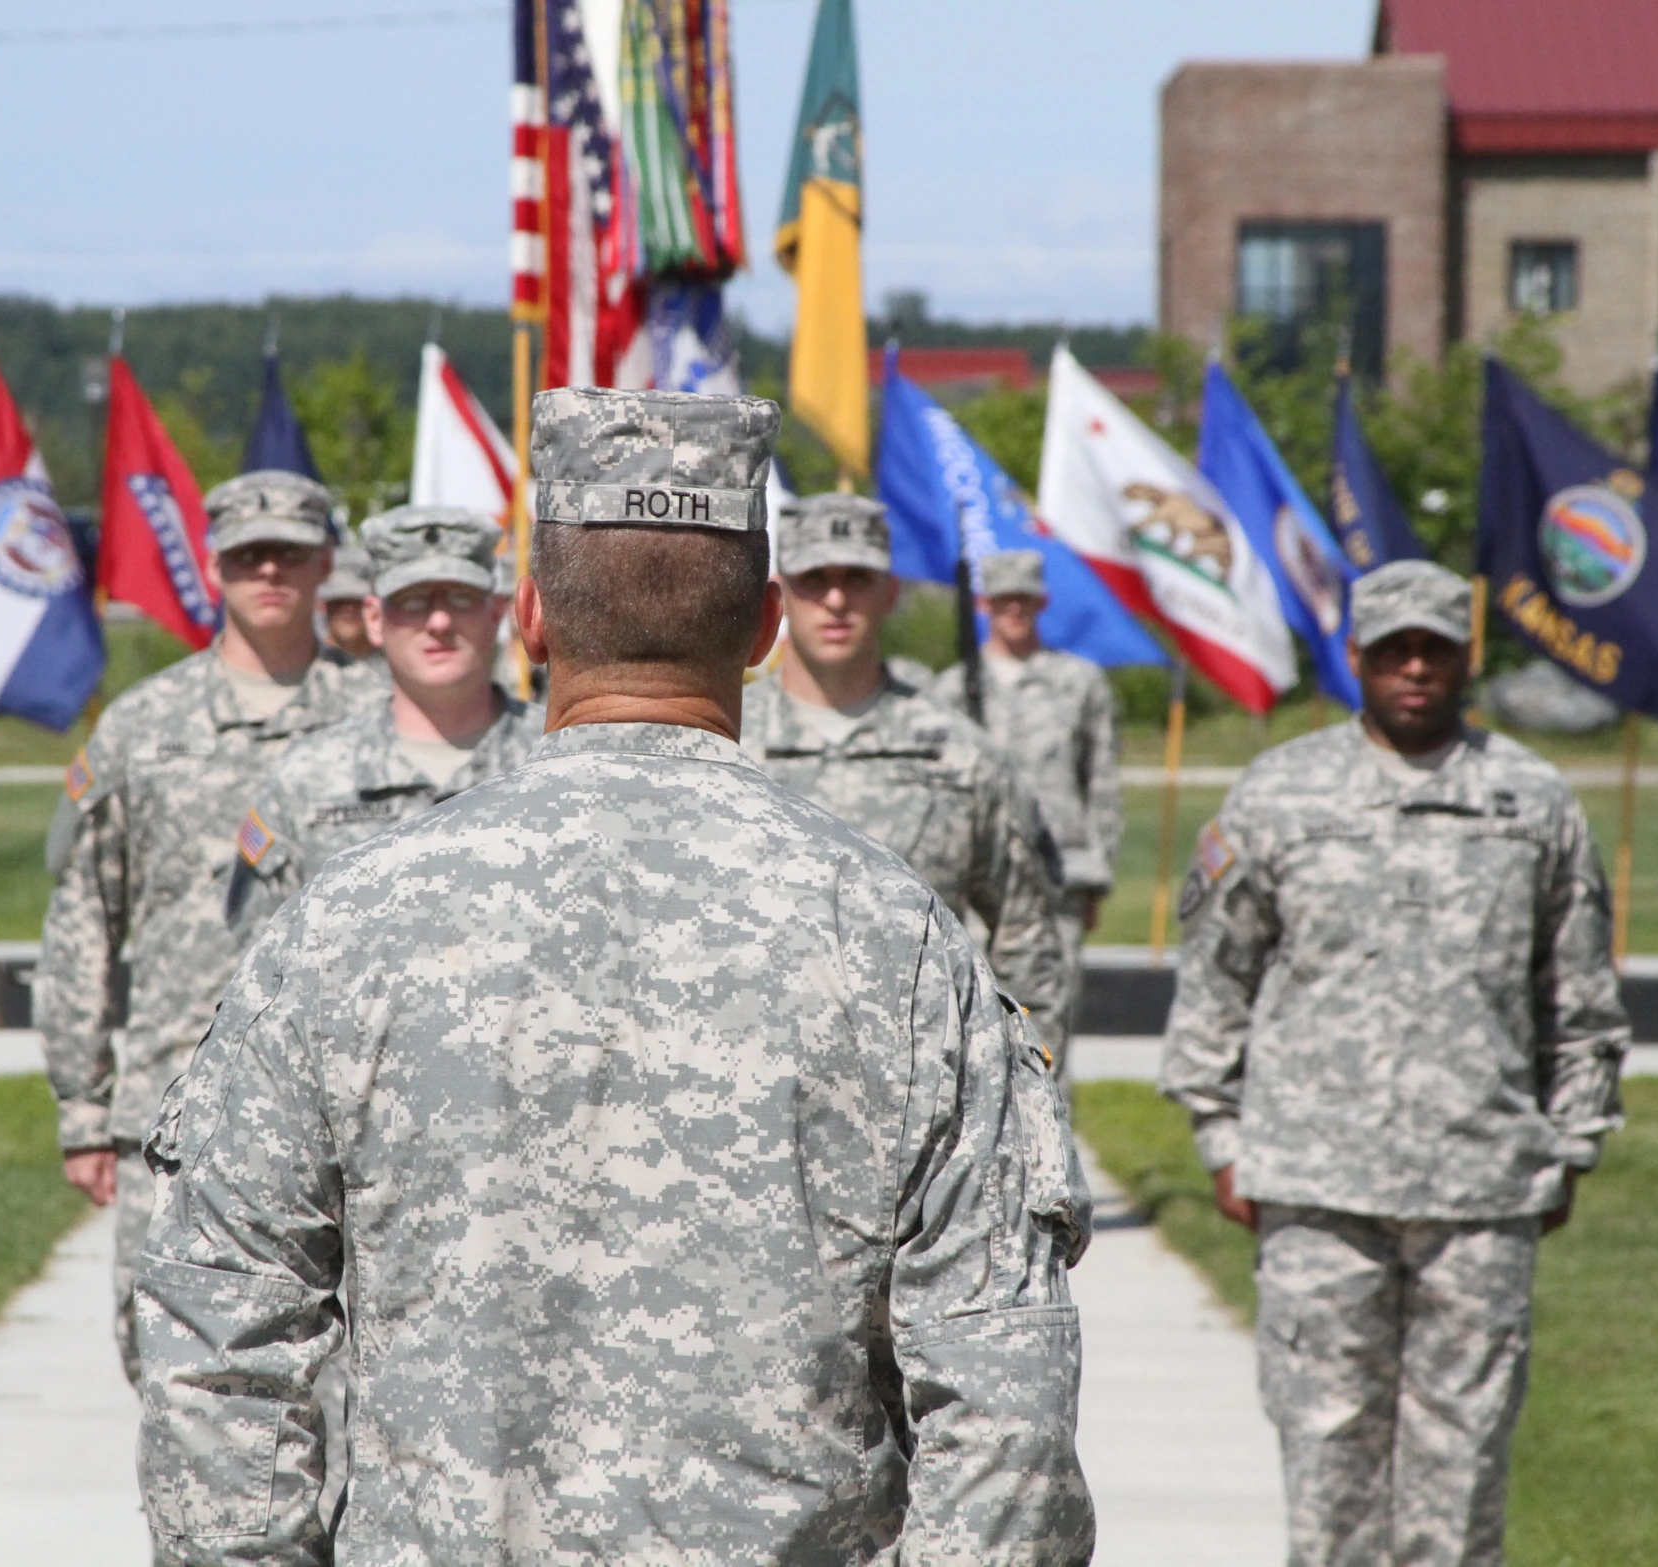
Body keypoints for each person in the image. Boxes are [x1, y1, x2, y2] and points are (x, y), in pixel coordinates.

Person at [135, 388, 1095, 1564]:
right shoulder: (900, 944)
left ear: (529, 617)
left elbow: (218, 1342)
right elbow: (1008, 1406)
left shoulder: (347, 918)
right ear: (764, 626)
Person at [1161, 559, 1628, 1567]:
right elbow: (1214, 975)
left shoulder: (1530, 800)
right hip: (1315, 1185)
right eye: (1393, 650)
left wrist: (1571, 1144)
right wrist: (1218, 1133)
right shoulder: (1280, 793)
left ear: (1466, 656)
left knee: (1460, 1478)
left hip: (1481, 1187)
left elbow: (1580, 996)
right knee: (1326, 1461)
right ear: (1357, 659)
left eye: (1435, 648)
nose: (1415, 668)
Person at [37, 469, 366, 1387]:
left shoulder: (375, 718)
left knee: (348, 1382)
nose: (271, 570)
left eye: (292, 553)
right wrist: (81, 1105)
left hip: (343, 1107)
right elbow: (82, 921)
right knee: (174, 1375)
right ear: (214, 567)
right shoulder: (143, 727)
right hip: (172, 1114)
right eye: (248, 554)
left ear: (326, 563)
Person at [742, 493, 1073, 1057]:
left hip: (916, 1098)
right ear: (779, 596)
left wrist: (1024, 1092)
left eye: (858, 578)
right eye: (814, 578)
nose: (837, 599)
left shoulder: (960, 757)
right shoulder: (726, 744)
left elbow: (1028, 944)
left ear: (890, 592)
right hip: (752, 1095)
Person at [225, 505, 543, 952]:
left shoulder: (557, 756)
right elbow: (257, 970)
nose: (439, 622)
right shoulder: (306, 780)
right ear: (374, 618)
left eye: (460, 598)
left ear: (495, 612)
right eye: (413, 602)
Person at [932, 548, 1121, 1059]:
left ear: (1043, 603)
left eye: (1025, 600)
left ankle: (1051, 1136)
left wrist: (1096, 876)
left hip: (1057, 876)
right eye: (1003, 601)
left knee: (1046, 1038)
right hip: (972, 883)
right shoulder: (950, 690)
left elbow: (1100, 781)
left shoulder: (1078, 683)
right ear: (984, 605)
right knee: (964, 1031)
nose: (1014, 610)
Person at [320, 535, 377, 661]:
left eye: (357, 600)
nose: (348, 608)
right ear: (324, 605)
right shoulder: (298, 665)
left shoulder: (400, 668)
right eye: (338, 600)